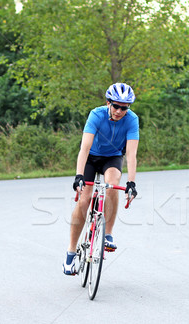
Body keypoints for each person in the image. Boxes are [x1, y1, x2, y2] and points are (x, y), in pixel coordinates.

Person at [63, 83, 139, 275]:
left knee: (113, 185)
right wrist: (79, 176)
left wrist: (131, 182)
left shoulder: (132, 120)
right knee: (85, 199)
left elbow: (130, 154)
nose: (120, 111)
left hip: (112, 157)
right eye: (116, 106)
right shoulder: (96, 115)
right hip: (91, 157)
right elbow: (84, 148)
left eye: (125, 107)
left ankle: (108, 234)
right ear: (108, 103)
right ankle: (70, 254)